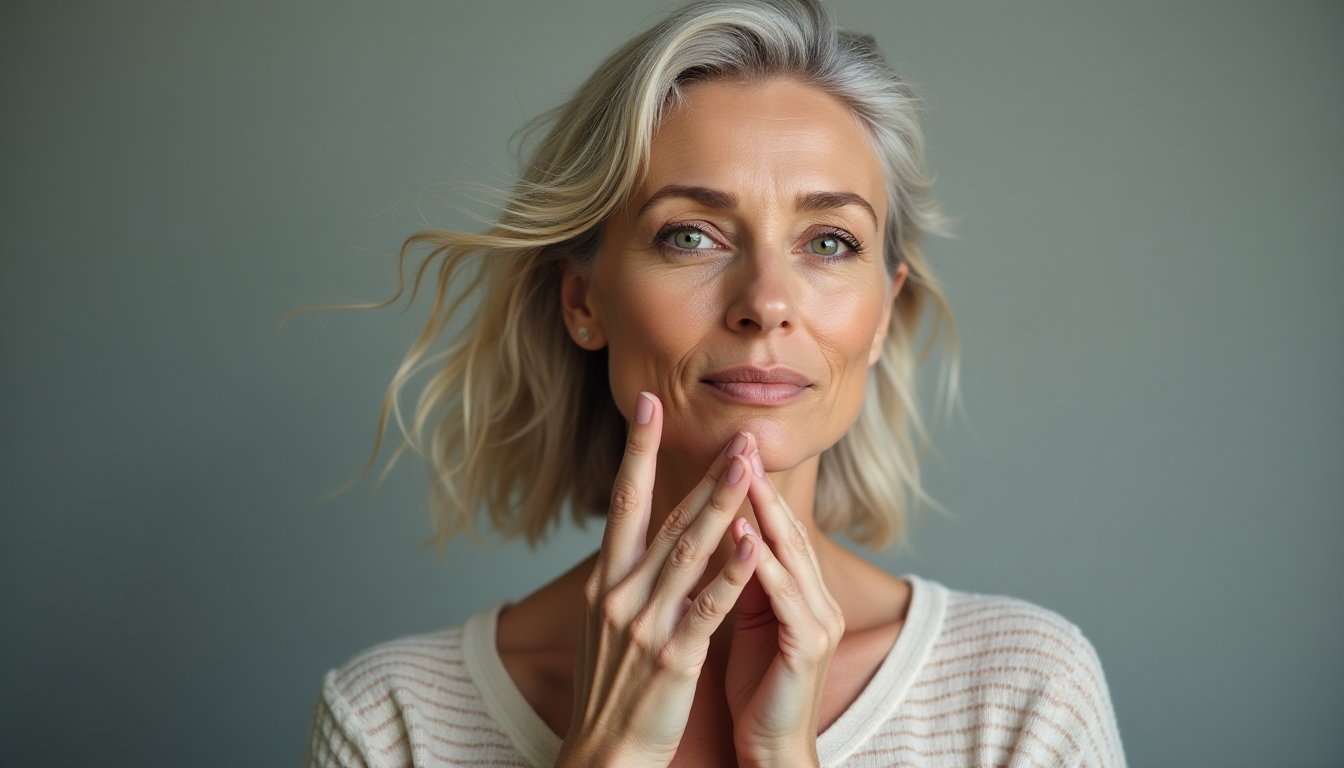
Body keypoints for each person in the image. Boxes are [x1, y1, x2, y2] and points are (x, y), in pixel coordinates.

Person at [303, 1, 1125, 766]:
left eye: (829, 242)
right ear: (583, 300)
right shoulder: (392, 720)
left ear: (882, 314)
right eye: (691, 236)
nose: (766, 303)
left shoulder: (1024, 697)